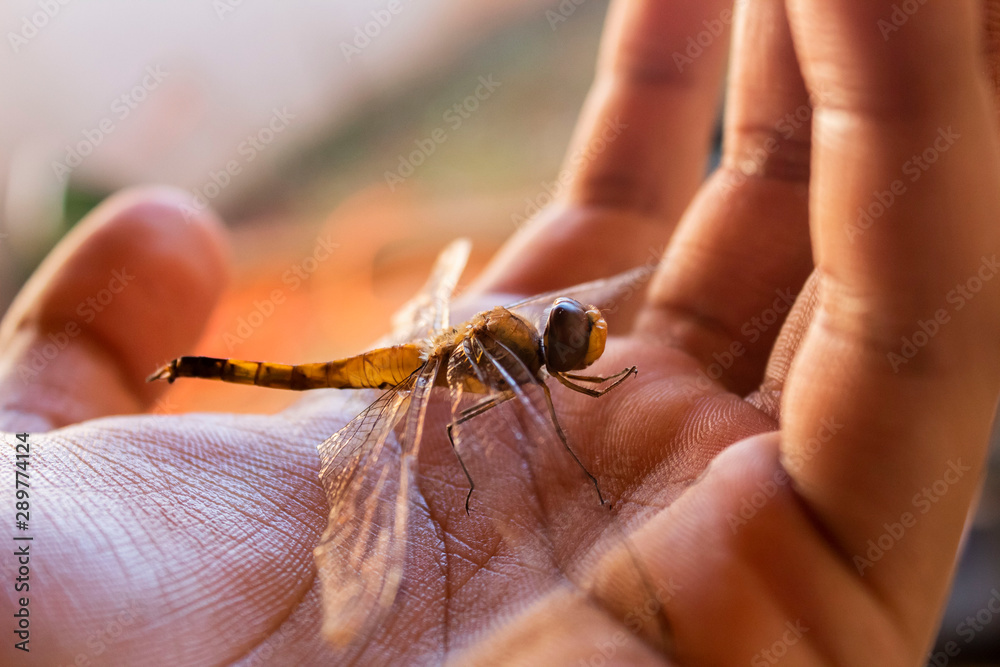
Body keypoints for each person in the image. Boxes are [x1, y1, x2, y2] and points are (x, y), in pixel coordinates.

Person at [3, 0, 999, 664]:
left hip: (424, 361)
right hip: (379, 373)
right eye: (571, 336)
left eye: (572, 331)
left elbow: (554, 380)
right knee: (310, 369)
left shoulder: (522, 348)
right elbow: (513, 431)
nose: (583, 332)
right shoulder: (495, 364)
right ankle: (208, 364)